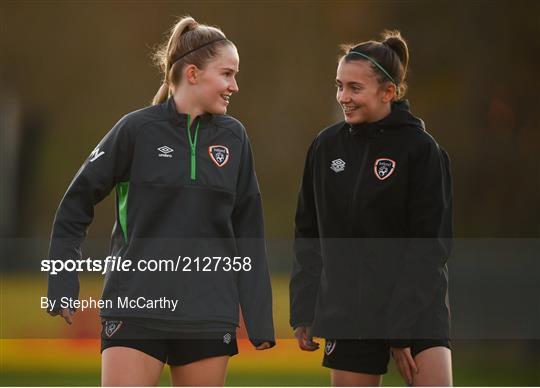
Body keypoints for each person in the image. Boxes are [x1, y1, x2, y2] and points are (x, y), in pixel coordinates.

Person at [46, 16, 274, 386]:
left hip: (208, 315)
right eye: (227, 74)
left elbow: (249, 230)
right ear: (194, 73)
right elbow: (76, 203)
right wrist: (61, 280)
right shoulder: (136, 130)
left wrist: (259, 318)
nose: (235, 85)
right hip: (135, 307)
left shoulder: (235, 138)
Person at [290, 30, 453, 386]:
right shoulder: (325, 147)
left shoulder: (421, 150)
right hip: (351, 312)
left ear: (388, 92)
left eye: (354, 88)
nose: (343, 97)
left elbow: (431, 246)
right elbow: (308, 232)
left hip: (418, 306)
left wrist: (401, 327)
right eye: (339, 86)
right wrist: (304, 307)